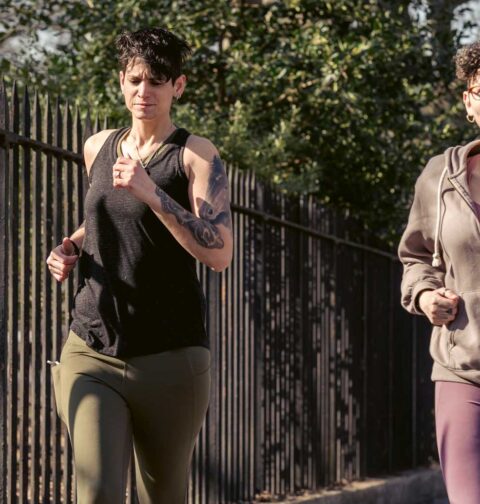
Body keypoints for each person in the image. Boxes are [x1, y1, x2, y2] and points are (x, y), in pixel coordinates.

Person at [45, 27, 233, 503]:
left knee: (162, 495)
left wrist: (151, 193)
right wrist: (71, 246)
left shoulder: (195, 155)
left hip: (170, 357)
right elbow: (106, 216)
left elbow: (219, 252)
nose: (143, 92)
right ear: (121, 82)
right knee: (97, 492)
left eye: (156, 81)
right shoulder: (98, 146)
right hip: (93, 348)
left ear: (178, 86)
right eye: (134, 80)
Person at [399, 40, 480, 504]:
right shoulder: (441, 176)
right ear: (469, 101)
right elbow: (415, 256)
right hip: (462, 371)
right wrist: (425, 295)